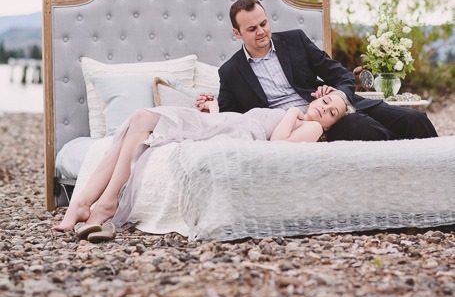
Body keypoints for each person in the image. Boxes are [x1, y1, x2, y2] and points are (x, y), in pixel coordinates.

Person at [54, 91, 352, 240]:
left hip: (237, 133)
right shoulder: (301, 112)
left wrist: (290, 113)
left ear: (331, 123)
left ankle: (99, 205)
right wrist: (214, 111)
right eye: (325, 101)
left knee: (142, 118)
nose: (323, 108)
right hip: (227, 123)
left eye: (331, 112)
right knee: (138, 121)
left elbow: (275, 147)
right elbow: (246, 121)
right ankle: (83, 204)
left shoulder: (312, 128)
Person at [197, 0, 437, 142]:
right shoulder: (230, 72)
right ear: (237, 33)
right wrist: (210, 105)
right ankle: (410, 170)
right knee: (365, 128)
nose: (261, 32)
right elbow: (231, 118)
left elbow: (341, 74)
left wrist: (338, 95)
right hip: (309, 126)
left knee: (415, 120)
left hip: (341, 104)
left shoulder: (295, 41)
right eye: (252, 29)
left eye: (264, 23)